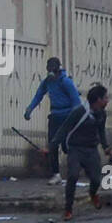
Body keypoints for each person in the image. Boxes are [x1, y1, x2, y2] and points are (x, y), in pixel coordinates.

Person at [46, 84, 112, 220]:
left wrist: (106, 147)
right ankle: (68, 209)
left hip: (91, 150)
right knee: (72, 176)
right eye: (105, 98)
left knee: (96, 179)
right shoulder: (79, 111)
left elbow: (101, 131)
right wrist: (53, 145)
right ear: (98, 100)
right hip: (76, 149)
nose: (107, 100)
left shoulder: (102, 114)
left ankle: (93, 194)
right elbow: (64, 128)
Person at [23, 57, 81, 185]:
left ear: (58, 69)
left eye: (53, 70)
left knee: (67, 146)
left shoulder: (66, 82)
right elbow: (38, 95)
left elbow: (76, 102)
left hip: (67, 117)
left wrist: (74, 120)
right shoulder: (47, 82)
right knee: (53, 145)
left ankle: (75, 169)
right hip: (55, 116)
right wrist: (30, 109)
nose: (51, 73)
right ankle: (56, 174)